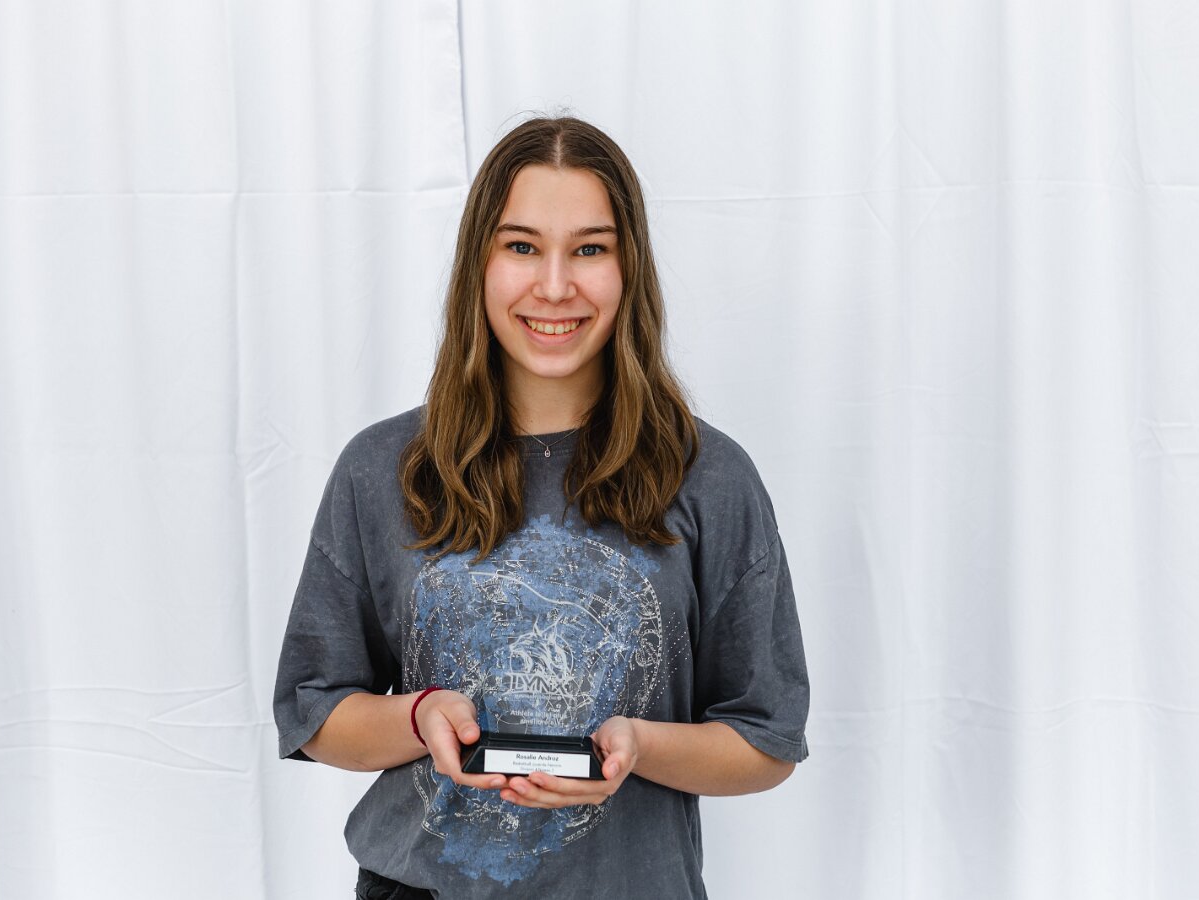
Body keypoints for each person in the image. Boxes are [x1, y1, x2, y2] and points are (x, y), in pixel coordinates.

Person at [273, 116, 809, 899]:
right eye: (521, 246)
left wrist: (637, 746)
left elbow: (768, 739)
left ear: (629, 269)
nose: (555, 286)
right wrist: (419, 717)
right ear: (480, 263)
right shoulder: (383, 469)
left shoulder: (709, 477)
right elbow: (314, 713)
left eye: (590, 249)